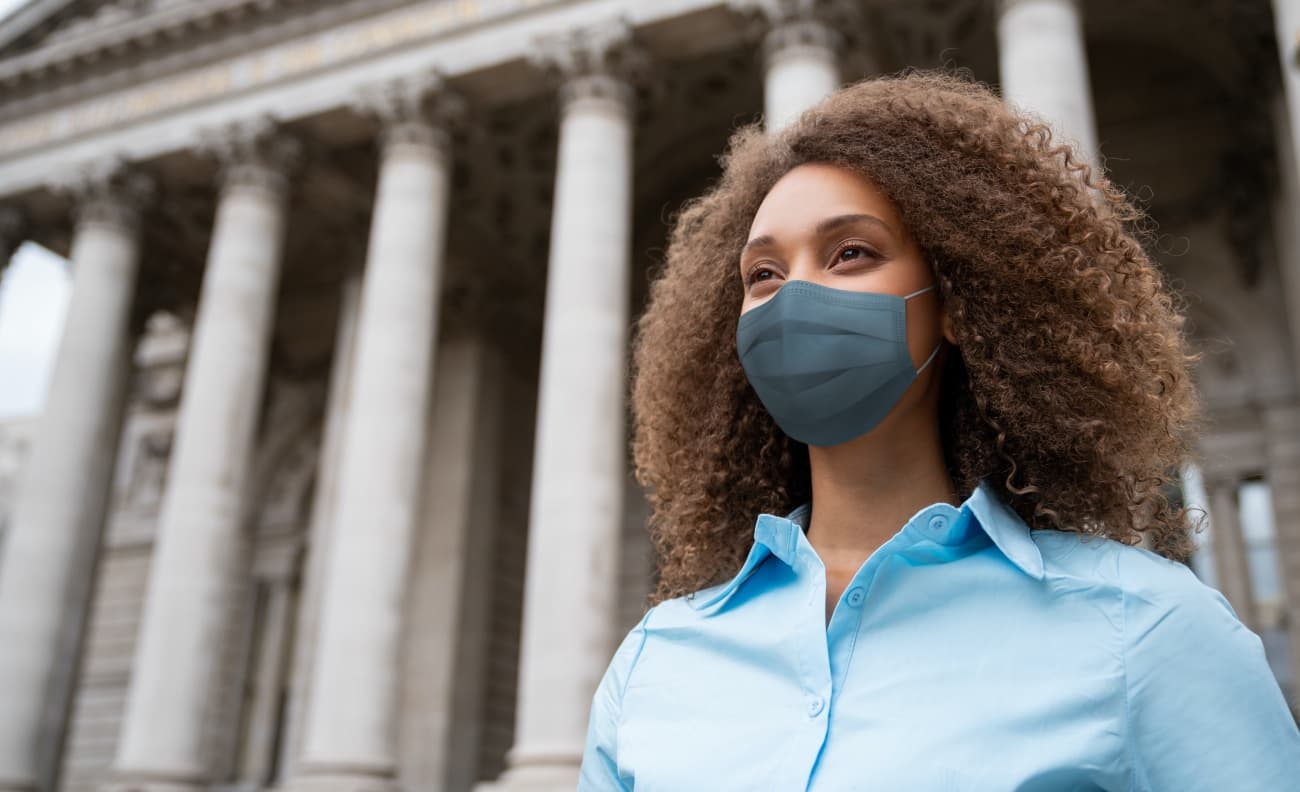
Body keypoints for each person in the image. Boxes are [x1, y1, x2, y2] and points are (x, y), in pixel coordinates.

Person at [577, 71, 1300, 791]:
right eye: (763, 274)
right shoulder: (655, 664)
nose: (793, 297)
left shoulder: (1143, 628)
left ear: (957, 300)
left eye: (850, 253)